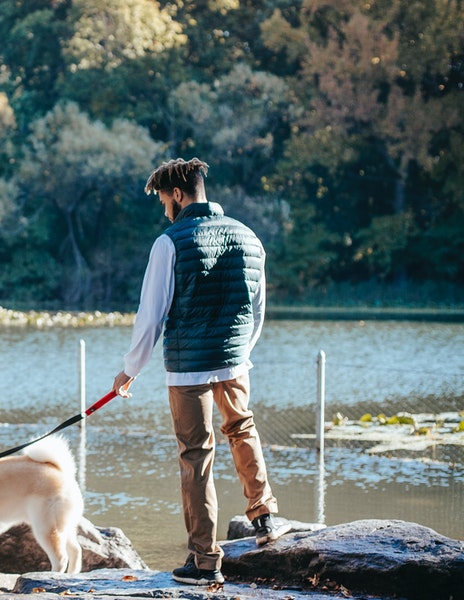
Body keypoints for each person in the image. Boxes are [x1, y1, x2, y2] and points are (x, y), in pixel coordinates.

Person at [110, 158, 288, 586]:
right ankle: (264, 520)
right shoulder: (248, 236)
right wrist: (240, 352)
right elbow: (257, 309)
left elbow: (150, 316)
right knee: (242, 428)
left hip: (188, 367)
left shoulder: (169, 242)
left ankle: (205, 560)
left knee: (195, 456)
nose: (162, 209)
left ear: (177, 194)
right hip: (233, 359)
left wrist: (130, 369)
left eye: (162, 199)